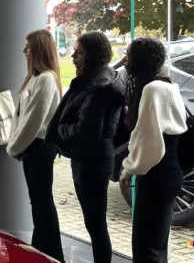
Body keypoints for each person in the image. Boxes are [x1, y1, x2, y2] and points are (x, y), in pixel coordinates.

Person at [45, 31, 125, 263]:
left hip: (91, 162)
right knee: (95, 222)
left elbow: (86, 132)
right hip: (93, 158)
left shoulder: (98, 87)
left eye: (79, 53)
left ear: (93, 56)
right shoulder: (103, 79)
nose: (72, 56)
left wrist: (60, 129)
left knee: (95, 223)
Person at [119, 38, 187, 263]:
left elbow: (148, 142)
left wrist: (128, 169)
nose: (125, 59)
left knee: (146, 247)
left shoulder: (152, 89)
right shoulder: (166, 84)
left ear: (140, 60)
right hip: (169, 172)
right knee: (156, 245)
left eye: (129, 54)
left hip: (157, 174)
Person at [6, 29, 65, 262]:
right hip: (32, 147)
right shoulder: (35, 78)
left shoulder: (46, 79)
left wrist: (14, 148)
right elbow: (22, 116)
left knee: (42, 201)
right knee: (38, 201)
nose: (24, 51)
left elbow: (33, 120)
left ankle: (50, 252)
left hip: (39, 147)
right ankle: (43, 249)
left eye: (28, 47)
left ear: (39, 49)